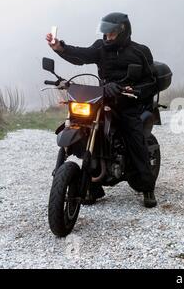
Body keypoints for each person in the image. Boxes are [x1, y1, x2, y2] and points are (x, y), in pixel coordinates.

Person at [45, 12, 157, 208]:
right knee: (85, 129)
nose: (107, 37)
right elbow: (81, 55)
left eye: (111, 34)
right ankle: (93, 187)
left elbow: (151, 81)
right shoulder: (100, 47)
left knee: (135, 140)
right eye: (105, 34)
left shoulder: (140, 52)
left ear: (123, 31)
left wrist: (135, 89)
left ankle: (147, 187)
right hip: (102, 97)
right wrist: (59, 47)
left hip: (127, 102)